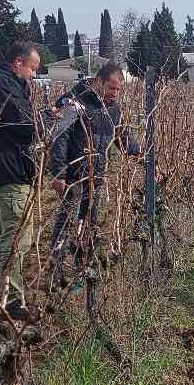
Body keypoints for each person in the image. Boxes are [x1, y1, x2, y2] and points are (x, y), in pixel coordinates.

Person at [47, 61, 138, 285]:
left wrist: (140, 153)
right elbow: (60, 137)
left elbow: (121, 136)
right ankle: (55, 269)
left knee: (89, 220)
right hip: (74, 175)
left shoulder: (113, 108)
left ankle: (83, 265)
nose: (115, 93)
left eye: (118, 89)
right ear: (98, 82)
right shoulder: (75, 102)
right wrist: (59, 173)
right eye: (111, 88)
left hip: (96, 175)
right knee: (67, 221)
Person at [0, 40, 43, 319]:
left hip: (13, 169)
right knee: (15, 240)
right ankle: (8, 302)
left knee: (18, 239)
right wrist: (45, 123)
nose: (34, 76)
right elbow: (24, 123)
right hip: (8, 171)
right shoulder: (0, 84)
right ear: (18, 63)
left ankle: (10, 298)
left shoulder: (9, 84)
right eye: (32, 69)